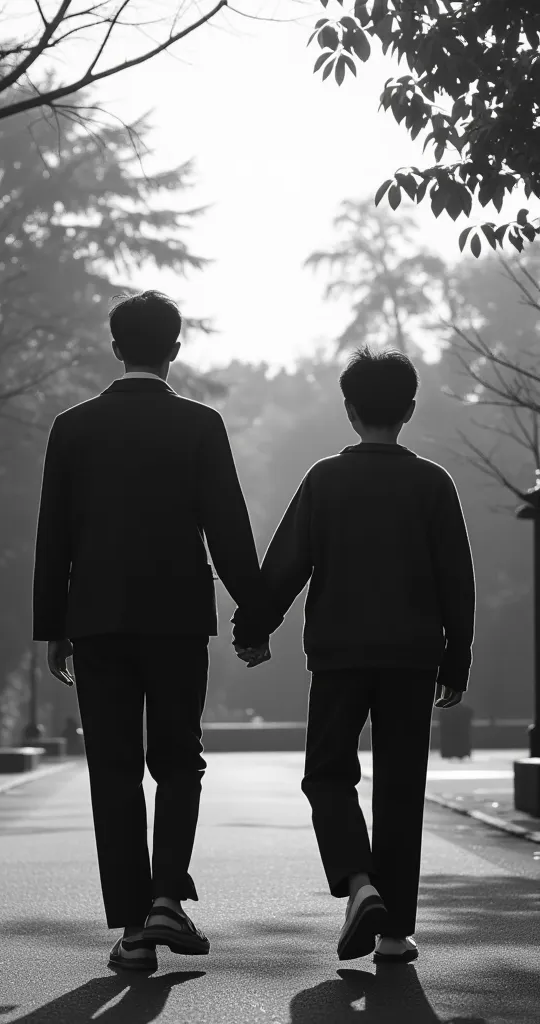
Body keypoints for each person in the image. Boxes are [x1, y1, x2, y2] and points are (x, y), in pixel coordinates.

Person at [33, 290, 275, 972]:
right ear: (175, 349)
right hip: (176, 618)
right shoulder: (201, 426)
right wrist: (254, 616)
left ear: (116, 347)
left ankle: (135, 925)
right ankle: (169, 894)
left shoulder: (72, 428)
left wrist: (55, 625)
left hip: (98, 620)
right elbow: (228, 529)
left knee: (112, 768)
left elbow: (55, 535)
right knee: (178, 758)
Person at [235, 345, 475, 965]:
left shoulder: (325, 479)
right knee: (402, 785)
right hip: (414, 656)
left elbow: (288, 562)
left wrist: (254, 627)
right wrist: (457, 661)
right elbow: (458, 578)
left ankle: (358, 881)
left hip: (341, 654)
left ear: (349, 409)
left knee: (328, 775)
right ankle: (394, 931)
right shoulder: (433, 483)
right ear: (410, 409)